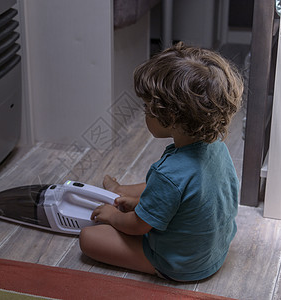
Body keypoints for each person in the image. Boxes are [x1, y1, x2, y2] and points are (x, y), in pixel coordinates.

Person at [79, 42, 243, 282]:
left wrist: (113, 216)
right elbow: (187, 195)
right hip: (214, 252)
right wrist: (137, 201)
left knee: (89, 237)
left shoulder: (170, 173)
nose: (144, 112)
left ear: (171, 116)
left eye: (147, 107)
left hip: (182, 263)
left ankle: (159, 264)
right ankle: (128, 196)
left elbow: (138, 226)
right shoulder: (216, 146)